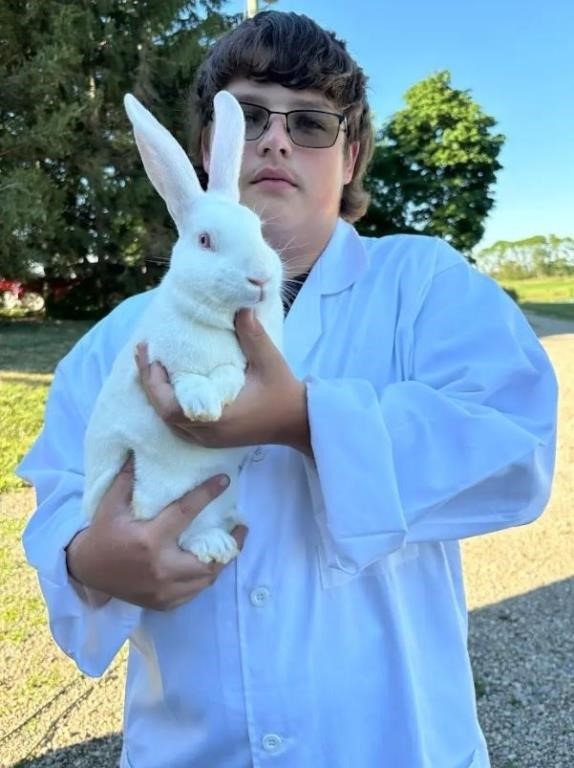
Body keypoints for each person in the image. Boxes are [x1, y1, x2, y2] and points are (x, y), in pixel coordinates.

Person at [18, 11, 557, 768]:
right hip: (190, 748)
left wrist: (306, 420)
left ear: (351, 155)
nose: (276, 139)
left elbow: (515, 445)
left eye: (310, 123)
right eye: (251, 117)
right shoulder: (123, 337)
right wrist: (85, 560)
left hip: (396, 746)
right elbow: (58, 488)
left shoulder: (425, 285)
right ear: (209, 151)